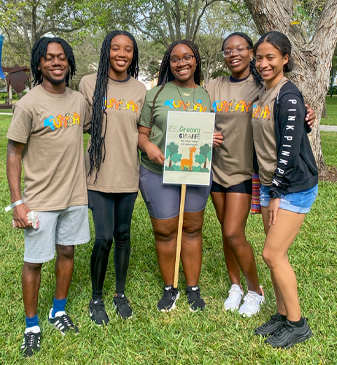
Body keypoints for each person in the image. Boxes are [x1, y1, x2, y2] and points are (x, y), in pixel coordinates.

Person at [205, 32, 316, 317]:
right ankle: (239, 288)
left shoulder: (263, 86)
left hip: (254, 175)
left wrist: (305, 114)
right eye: (227, 50)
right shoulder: (219, 86)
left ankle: (259, 293)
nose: (234, 54)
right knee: (228, 234)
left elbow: (289, 120)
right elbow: (193, 114)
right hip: (226, 172)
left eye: (240, 48)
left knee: (238, 235)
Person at [6, 37, 90, 357]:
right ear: (39, 63)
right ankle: (32, 325)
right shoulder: (29, 103)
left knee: (67, 251)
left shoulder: (79, 101)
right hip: (40, 199)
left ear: (69, 62)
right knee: (35, 261)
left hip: (75, 196)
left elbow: (91, 131)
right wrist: (18, 203)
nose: (56, 63)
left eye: (62, 58)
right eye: (49, 58)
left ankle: (58, 310)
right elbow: (14, 153)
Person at [138, 40, 223, 312]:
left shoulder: (205, 95)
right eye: (175, 58)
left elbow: (205, 130)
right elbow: (142, 134)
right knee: (165, 230)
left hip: (195, 171)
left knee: (192, 227)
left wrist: (213, 137)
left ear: (196, 61)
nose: (181, 62)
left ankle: (193, 288)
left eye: (187, 57)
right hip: (158, 172)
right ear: (169, 63)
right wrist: (149, 146)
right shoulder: (157, 94)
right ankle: (169, 286)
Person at [251, 31, 318, 349]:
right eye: (259, 57)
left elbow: (289, 151)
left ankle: (298, 324)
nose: (263, 63)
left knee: (272, 254)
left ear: (285, 59)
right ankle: (281, 314)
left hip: (291, 187)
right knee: (275, 256)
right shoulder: (264, 93)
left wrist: (276, 192)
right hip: (270, 185)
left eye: (270, 57)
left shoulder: (287, 95)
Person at [79, 30, 146, 325]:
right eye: (116, 48)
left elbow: (147, 130)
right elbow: (74, 119)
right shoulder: (89, 83)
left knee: (123, 236)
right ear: (106, 50)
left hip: (128, 173)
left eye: (128, 49)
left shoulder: (139, 90)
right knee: (104, 238)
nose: (122, 54)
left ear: (133, 54)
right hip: (97, 174)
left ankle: (119, 294)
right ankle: (97, 297)